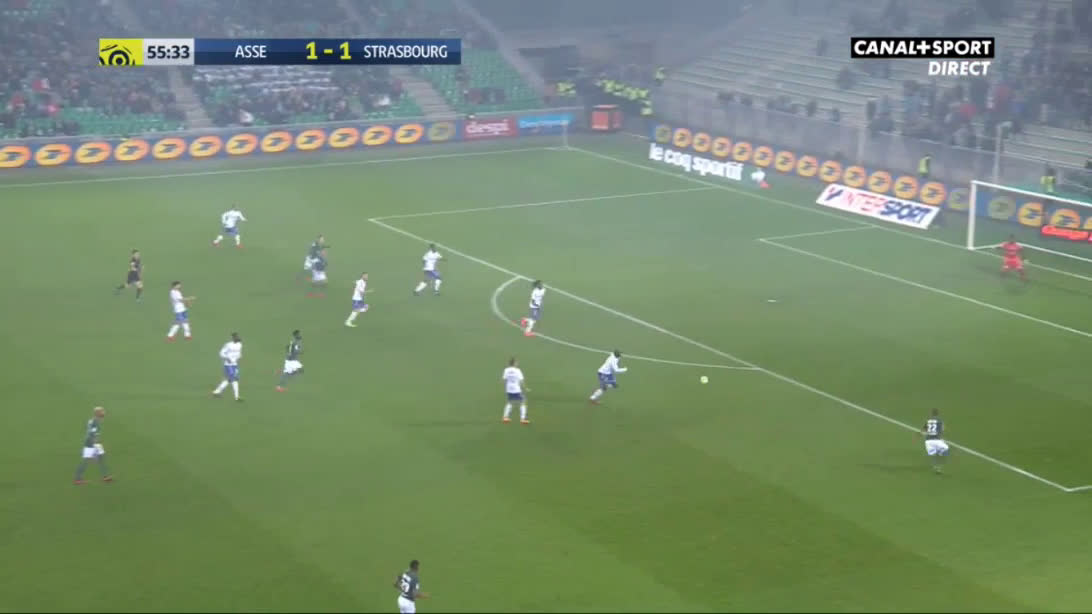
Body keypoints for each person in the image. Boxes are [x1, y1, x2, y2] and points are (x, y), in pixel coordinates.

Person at [74, 406, 112, 484]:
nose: (104, 413)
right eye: (102, 411)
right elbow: (92, 435)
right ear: (98, 413)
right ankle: (78, 479)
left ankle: (105, 476)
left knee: (101, 458)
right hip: (90, 444)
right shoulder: (95, 423)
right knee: (86, 460)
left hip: (95, 443)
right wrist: (94, 450)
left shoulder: (93, 420)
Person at [212, 332, 243, 401]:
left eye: (238, 336)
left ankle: (216, 392)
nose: (238, 338)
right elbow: (221, 353)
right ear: (233, 338)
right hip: (228, 365)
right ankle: (237, 397)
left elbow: (239, 353)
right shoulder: (228, 345)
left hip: (235, 364)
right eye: (236, 337)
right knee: (234, 380)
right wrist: (227, 358)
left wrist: (239, 356)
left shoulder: (240, 344)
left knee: (229, 380)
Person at [502, 357, 530, 424]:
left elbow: (504, 380)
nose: (517, 363)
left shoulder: (506, 370)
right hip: (516, 389)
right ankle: (523, 418)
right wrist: (525, 388)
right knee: (523, 401)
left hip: (509, 389)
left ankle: (505, 417)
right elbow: (521, 381)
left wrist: (506, 388)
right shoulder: (518, 370)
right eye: (516, 362)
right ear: (514, 363)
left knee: (510, 402)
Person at [921, 408, 949, 473]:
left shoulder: (928, 421)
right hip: (937, 440)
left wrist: (921, 434)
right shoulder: (940, 421)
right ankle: (939, 467)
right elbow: (942, 429)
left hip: (928, 441)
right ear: (938, 414)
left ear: (931, 414)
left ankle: (935, 466)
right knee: (945, 450)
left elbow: (923, 430)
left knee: (933, 454)